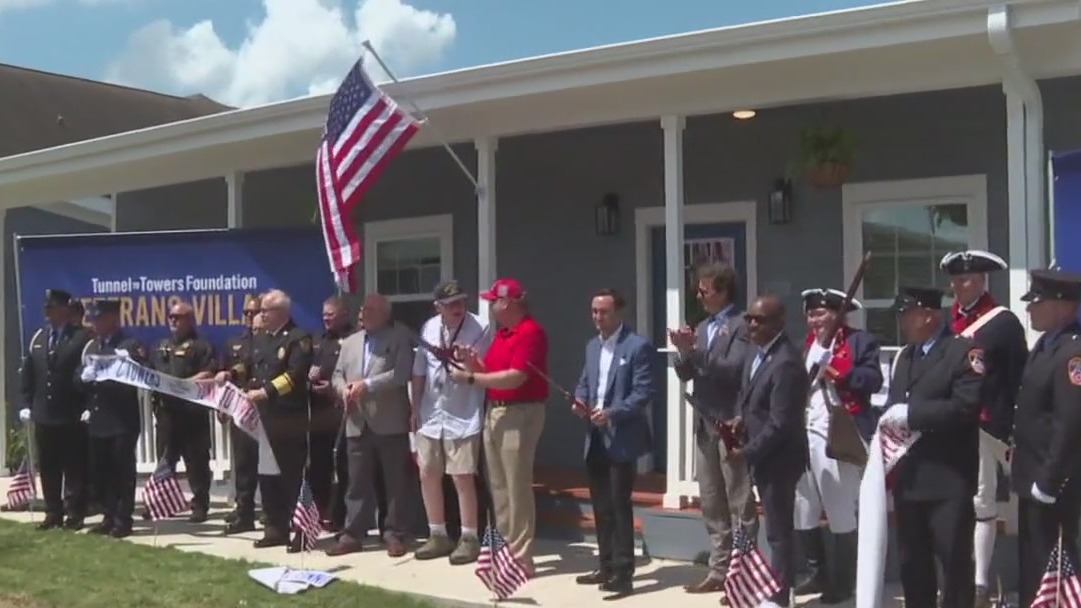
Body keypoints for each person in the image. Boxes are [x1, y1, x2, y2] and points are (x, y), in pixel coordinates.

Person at [879, 286, 983, 608]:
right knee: (914, 566)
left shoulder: (962, 352)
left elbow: (967, 406)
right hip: (910, 480)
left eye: (906, 314)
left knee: (953, 566)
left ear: (928, 315)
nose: (902, 322)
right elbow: (895, 405)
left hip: (947, 479)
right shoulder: (905, 356)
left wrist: (914, 415)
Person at [938, 250, 1028, 607]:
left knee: (1024, 497)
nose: (963, 286)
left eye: (970, 279)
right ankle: (979, 584)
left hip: (998, 422)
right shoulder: (951, 322)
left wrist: (1018, 422)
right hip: (962, 424)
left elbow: (1019, 376)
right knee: (980, 501)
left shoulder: (1003, 322)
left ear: (983, 281)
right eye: (958, 280)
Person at [448, 278, 549, 575]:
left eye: (495, 300)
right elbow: (493, 373)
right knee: (499, 486)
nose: (491, 305)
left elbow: (516, 377)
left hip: (521, 413)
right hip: (496, 411)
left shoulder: (531, 332)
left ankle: (521, 557)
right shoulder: (503, 334)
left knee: (517, 485)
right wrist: (473, 364)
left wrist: (471, 379)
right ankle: (505, 551)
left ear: (509, 303)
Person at [667, 262, 756, 595]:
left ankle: (745, 569)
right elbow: (686, 373)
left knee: (739, 500)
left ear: (722, 291)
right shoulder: (703, 326)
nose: (699, 295)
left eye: (704, 290)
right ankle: (719, 569)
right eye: (699, 290)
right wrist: (682, 352)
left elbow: (733, 369)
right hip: (705, 423)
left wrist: (696, 351)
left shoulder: (741, 326)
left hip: (731, 423)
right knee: (711, 499)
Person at [793, 288, 882, 604]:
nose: (815, 320)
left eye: (821, 313)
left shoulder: (859, 342)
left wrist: (835, 370)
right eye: (811, 314)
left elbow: (872, 381)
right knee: (803, 505)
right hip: (803, 432)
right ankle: (816, 572)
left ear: (839, 314)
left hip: (838, 432)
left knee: (840, 505)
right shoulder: (806, 347)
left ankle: (845, 581)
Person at [726, 294, 808, 608]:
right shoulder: (755, 353)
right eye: (749, 318)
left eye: (760, 320)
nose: (752, 324)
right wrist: (738, 420)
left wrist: (747, 452)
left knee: (778, 531)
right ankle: (771, 586)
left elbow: (781, 423)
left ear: (779, 323)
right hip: (761, 452)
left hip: (780, 459)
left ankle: (779, 595)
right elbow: (748, 397)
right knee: (772, 527)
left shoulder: (786, 362)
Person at [571, 289, 654, 599]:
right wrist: (580, 400)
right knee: (601, 505)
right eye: (594, 311)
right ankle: (604, 564)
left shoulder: (637, 346)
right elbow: (585, 382)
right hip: (595, 437)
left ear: (619, 312)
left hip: (622, 437)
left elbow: (642, 393)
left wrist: (612, 413)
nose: (597, 317)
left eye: (603, 311)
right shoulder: (593, 346)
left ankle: (623, 571)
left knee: (619, 504)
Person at [1010, 269, 1081, 608]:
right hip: (1031, 475)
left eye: (1037, 303)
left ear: (1062, 306)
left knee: (1056, 569)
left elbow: (1070, 423)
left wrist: (1050, 480)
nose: (1030, 310)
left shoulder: (1073, 353)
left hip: (1057, 483)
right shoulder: (1043, 345)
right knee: (1034, 566)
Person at [325, 293, 415, 558]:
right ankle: (353, 533)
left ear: (385, 314)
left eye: (371, 310)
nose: (364, 313)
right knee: (356, 482)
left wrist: (368, 385)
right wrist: (343, 390)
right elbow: (338, 375)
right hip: (356, 420)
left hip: (389, 421)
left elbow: (401, 374)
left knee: (394, 482)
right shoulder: (351, 342)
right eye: (363, 309)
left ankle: (395, 533)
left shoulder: (398, 338)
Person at [412, 280, 492, 564]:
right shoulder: (429, 328)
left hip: (464, 413)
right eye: (451, 304)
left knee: (462, 476)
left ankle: (469, 536)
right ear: (438, 307)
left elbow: (486, 370)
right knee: (428, 473)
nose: (458, 308)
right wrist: (414, 408)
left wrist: (468, 362)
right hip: (432, 413)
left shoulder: (480, 327)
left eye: (461, 301)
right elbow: (420, 369)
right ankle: (437, 534)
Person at [242, 289, 313, 550]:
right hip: (262, 419)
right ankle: (275, 528)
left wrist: (265, 392)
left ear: (281, 312)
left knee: (290, 476)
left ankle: (300, 530)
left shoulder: (298, 338)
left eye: (265, 311)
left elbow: (295, 376)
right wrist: (230, 373)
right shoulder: (261, 338)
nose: (260, 315)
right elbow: (248, 364)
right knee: (267, 475)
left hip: (288, 418)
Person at [19, 289, 92, 530]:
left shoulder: (82, 338)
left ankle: (74, 513)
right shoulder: (38, 338)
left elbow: (87, 376)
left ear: (64, 310)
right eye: (46, 309)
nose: (47, 313)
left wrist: (87, 407)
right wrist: (29, 404)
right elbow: (30, 374)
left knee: (74, 467)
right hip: (44, 414)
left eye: (52, 308)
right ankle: (53, 512)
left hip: (70, 414)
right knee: (48, 467)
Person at [76, 300, 145, 538]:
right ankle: (108, 515)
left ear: (114, 319)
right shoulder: (93, 346)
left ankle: (122, 519)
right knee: (101, 471)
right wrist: (85, 378)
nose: (95, 324)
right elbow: (79, 378)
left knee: (122, 471)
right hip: (98, 419)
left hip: (121, 420)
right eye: (93, 319)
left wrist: (128, 364)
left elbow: (141, 375)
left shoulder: (128, 346)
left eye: (100, 319)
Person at [147, 301, 217, 523]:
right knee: (165, 461)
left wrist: (180, 384)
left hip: (192, 414)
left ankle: (199, 505)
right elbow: (150, 373)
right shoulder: (160, 346)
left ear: (190, 320)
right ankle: (159, 503)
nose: (173, 321)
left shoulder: (202, 346)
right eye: (171, 317)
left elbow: (209, 373)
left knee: (196, 462)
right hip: (167, 414)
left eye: (179, 317)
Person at [219, 294, 263, 534]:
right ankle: (244, 512)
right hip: (241, 411)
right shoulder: (235, 342)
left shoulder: (269, 341)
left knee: (267, 466)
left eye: (254, 312)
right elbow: (226, 378)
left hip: (265, 411)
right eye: (246, 312)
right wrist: (223, 406)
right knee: (243, 465)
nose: (250, 316)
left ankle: (270, 512)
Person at [308, 295, 354, 529]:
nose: (326, 318)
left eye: (331, 314)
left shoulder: (354, 339)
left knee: (343, 468)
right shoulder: (318, 341)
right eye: (324, 314)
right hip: (318, 416)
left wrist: (333, 391)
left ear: (344, 314)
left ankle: (340, 516)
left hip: (343, 413)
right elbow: (308, 372)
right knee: (318, 466)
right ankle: (319, 512)